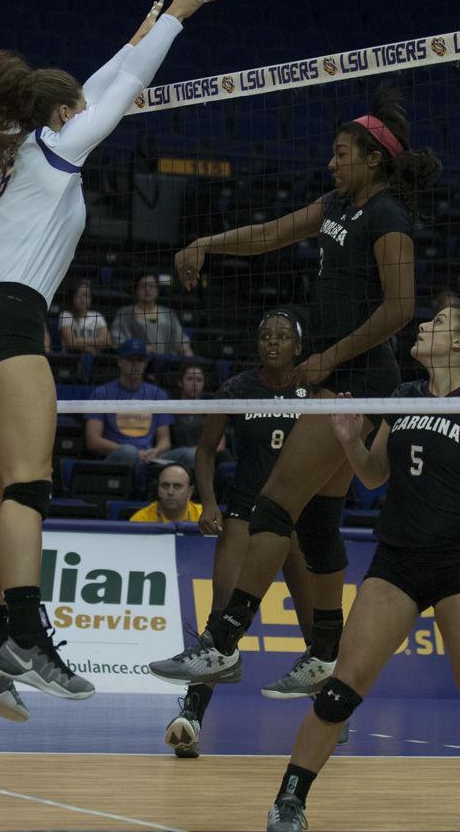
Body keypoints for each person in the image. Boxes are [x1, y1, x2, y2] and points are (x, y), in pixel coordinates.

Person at [0, 0, 223, 720]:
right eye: (75, 106)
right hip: (14, 324)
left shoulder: (29, 152)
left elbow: (105, 76)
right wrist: (178, 18)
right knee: (28, 490)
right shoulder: (58, 148)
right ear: (61, 113)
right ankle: (29, 636)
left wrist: (138, 35)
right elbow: (116, 90)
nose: (84, 108)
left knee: (0, 505)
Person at [147, 83, 441, 692]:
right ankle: (328, 656)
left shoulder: (389, 217)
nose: (332, 163)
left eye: (341, 153)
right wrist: (206, 243)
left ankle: (223, 644)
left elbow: (402, 309)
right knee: (316, 523)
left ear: (373, 159)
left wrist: (326, 357)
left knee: (273, 506)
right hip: (337, 377)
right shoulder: (336, 206)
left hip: (358, 379)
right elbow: (269, 233)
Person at [266, 297, 460, 832]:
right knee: (340, 689)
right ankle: (289, 802)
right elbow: (374, 476)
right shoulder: (401, 397)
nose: (425, 326)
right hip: (396, 561)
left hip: (459, 561)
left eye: (439, 323)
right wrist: (352, 441)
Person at [155, 311, 344, 756]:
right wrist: (210, 503)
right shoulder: (238, 388)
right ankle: (191, 716)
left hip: (296, 515)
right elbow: (204, 451)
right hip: (244, 510)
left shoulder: (312, 392)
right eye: (265, 336)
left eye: (282, 336)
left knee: (312, 621)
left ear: (299, 346)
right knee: (222, 613)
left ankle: (331, 713)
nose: (272, 342)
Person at [85, 338, 194, 472]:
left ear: (145, 363)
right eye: (130, 359)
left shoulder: (158, 395)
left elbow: (165, 440)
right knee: (129, 453)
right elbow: (93, 441)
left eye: (140, 360)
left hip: (149, 458)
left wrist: (156, 451)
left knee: (187, 455)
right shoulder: (101, 393)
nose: (135, 364)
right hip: (120, 456)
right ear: (120, 361)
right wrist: (134, 452)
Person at [111, 273, 193, 356]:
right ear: (135, 290)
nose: (147, 289)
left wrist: (187, 352)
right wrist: (141, 348)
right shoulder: (124, 313)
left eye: (151, 286)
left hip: (167, 363)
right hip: (135, 360)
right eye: (143, 286)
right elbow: (116, 338)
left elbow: (181, 341)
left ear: (157, 291)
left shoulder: (169, 314)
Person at [168, 362, 227, 465]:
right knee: (188, 455)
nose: (194, 383)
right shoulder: (169, 409)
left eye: (199, 380)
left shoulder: (211, 411)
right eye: (190, 379)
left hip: (205, 456)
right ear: (180, 382)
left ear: (204, 384)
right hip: (176, 456)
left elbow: (220, 446)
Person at [130, 462, 202, 523]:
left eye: (177, 486)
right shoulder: (140, 520)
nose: (170, 492)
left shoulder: (204, 516)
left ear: (190, 491)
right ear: (158, 488)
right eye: (165, 486)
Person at [58, 278, 110, 353]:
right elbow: (70, 342)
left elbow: (106, 340)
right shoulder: (66, 315)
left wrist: (77, 341)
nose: (82, 299)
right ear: (72, 298)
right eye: (77, 295)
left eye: (85, 295)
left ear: (90, 299)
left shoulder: (97, 316)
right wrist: (92, 348)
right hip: (70, 358)